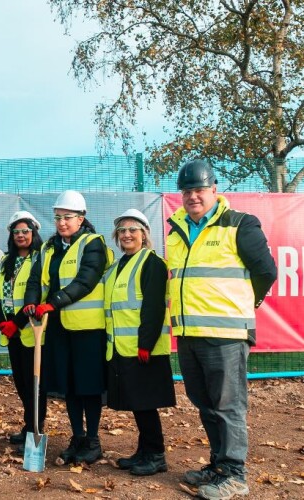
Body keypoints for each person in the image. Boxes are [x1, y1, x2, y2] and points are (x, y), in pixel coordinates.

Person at [168, 160, 276, 500]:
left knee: (228, 405)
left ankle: (235, 474)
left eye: (199, 190)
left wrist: (245, 305)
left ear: (214, 190)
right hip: (188, 335)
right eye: (187, 191)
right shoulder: (176, 231)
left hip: (226, 335)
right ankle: (217, 466)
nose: (193, 197)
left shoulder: (240, 224)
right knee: (205, 403)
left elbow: (266, 272)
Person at [23, 190, 112, 465]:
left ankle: (93, 440)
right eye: (58, 217)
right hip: (59, 329)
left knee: (88, 386)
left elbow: (85, 280)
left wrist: (54, 303)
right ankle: (77, 436)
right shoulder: (49, 248)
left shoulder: (93, 244)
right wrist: (31, 303)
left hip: (87, 329)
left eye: (68, 217)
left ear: (82, 217)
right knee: (69, 386)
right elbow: (35, 279)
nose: (62, 222)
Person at [103, 209, 175, 476]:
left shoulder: (152, 263)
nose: (127, 234)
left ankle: (156, 455)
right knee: (137, 403)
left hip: (144, 349)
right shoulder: (118, 266)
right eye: (122, 231)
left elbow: (154, 307)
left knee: (145, 403)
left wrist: (145, 342)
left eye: (133, 230)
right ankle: (144, 451)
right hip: (122, 348)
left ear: (144, 235)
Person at [0, 211, 44, 455]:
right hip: (11, 332)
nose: (21, 236)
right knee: (22, 383)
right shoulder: (6, 261)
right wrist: (3, 322)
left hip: (31, 331)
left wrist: (18, 322)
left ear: (33, 233)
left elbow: (37, 294)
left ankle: (35, 429)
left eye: (25, 231)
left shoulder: (40, 259)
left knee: (34, 384)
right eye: (16, 232)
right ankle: (27, 426)